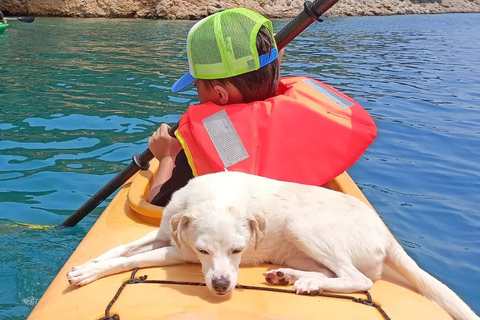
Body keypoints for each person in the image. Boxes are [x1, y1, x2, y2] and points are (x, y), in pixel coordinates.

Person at [147, 7, 377, 207]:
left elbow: (158, 206)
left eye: (197, 85)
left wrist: (168, 156)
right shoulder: (308, 121)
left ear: (220, 94)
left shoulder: (204, 148)